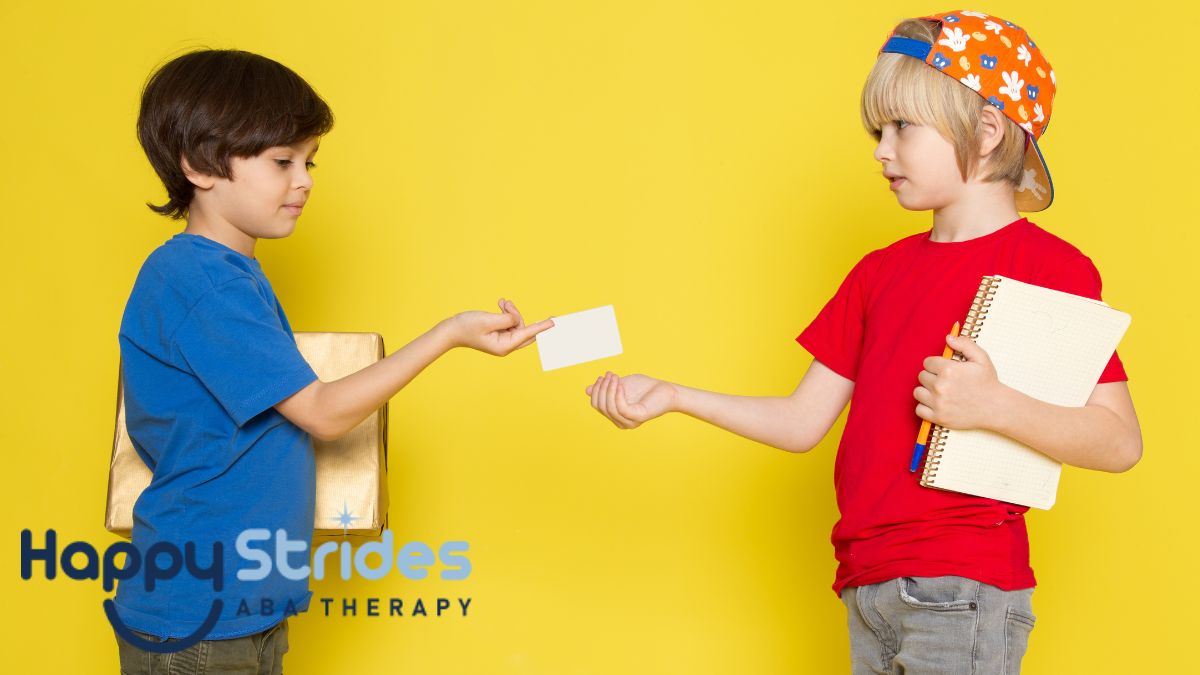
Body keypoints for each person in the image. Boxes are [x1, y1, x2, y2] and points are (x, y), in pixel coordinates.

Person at [584, 10, 1141, 673]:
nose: (881, 149)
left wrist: (992, 404)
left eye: (902, 126)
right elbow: (801, 420)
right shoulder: (878, 274)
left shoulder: (1052, 270)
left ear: (987, 131)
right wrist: (674, 395)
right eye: (878, 129)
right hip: (867, 586)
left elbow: (1118, 440)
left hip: (961, 586)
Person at [114, 48, 552, 674]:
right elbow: (321, 413)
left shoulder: (224, 276)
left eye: (309, 161)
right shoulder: (201, 280)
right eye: (282, 161)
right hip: (200, 617)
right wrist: (448, 334)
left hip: (242, 606)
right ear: (198, 165)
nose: (306, 179)